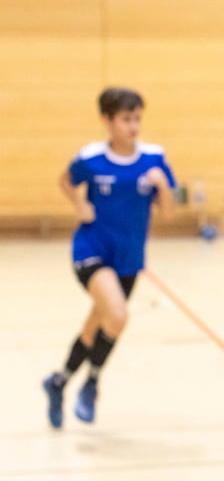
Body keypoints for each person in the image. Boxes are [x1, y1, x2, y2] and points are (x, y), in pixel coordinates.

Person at [42, 87, 176, 429]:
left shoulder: (154, 158)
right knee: (116, 315)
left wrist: (162, 188)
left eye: (137, 119)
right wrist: (78, 203)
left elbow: (170, 213)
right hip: (91, 251)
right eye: (125, 119)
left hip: (129, 260)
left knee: (97, 325)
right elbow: (65, 180)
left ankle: (59, 381)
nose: (133, 126)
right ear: (107, 120)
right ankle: (92, 383)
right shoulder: (90, 158)